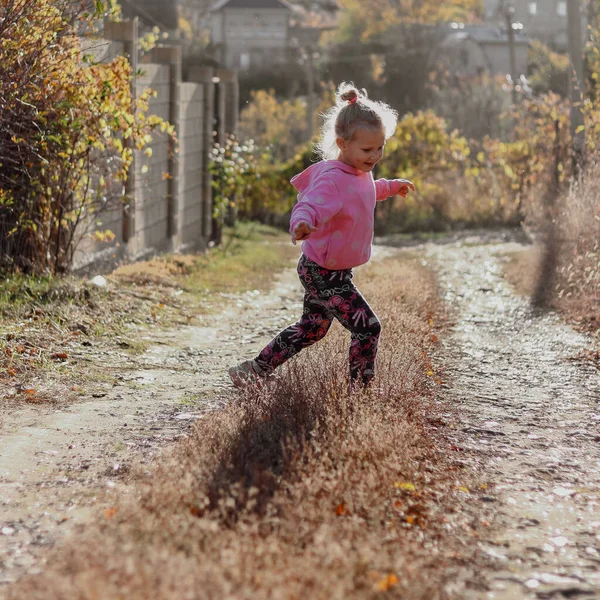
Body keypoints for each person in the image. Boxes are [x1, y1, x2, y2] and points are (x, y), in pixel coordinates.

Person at [229, 82, 415, 388]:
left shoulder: (359, 173)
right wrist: (301, 225)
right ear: (342, 144)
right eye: (368, 149)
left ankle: (252, 371)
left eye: (380, 147)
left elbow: (367, 191)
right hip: (324, 273)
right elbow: (309, 206)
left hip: (329, 270)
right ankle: (359, 393)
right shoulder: (332, 179)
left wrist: (392, 186)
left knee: (311, 329)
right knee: (368, 327)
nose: (376, 155)